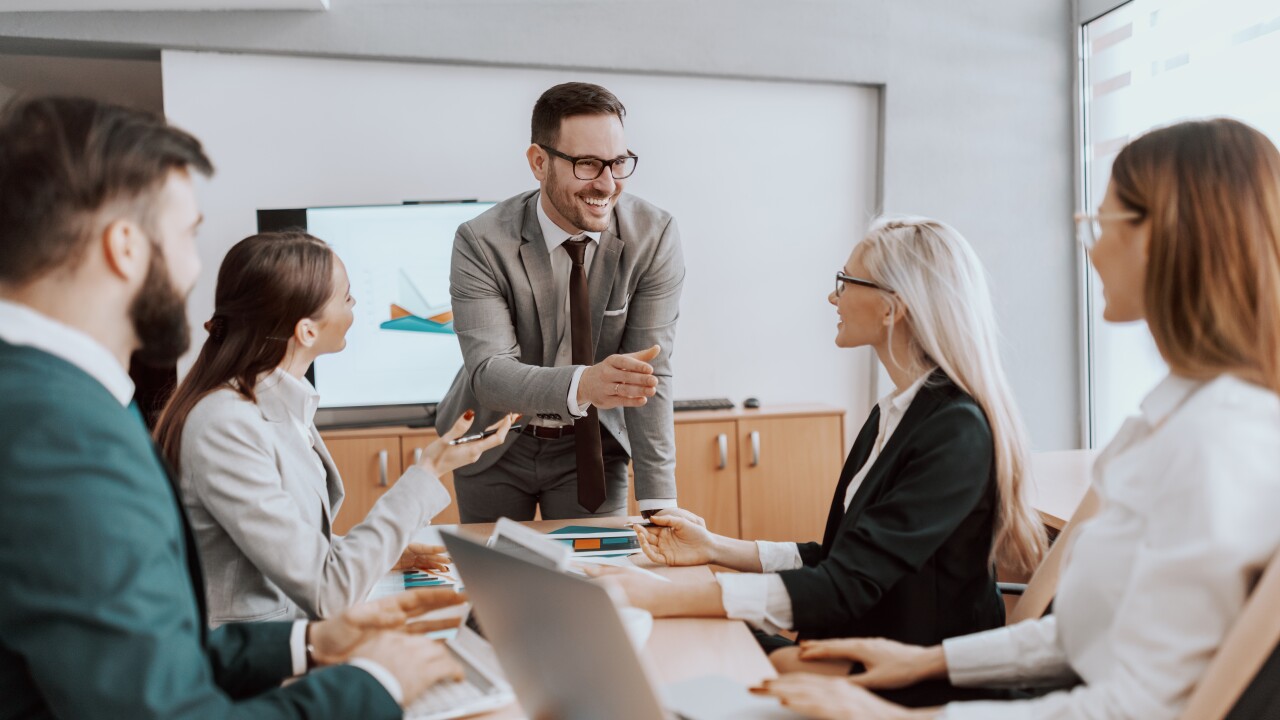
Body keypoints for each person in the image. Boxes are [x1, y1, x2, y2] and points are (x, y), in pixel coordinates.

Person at [756, 118, 1280, 719]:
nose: (1091, 245)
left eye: (1101, 222)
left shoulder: (1221, 443)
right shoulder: (1157, 423)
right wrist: (928, 662)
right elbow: (1079, 636)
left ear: (1163, 239)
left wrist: (899, 717)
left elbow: (1137, 706)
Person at [0, 95, 469, 718]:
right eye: (188, 235)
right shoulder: (64, 438)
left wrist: (303, 644)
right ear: (126, 248)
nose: (197, 270)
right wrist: (373, 685)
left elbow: (145, 661)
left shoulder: (57, 405)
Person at [592, 216, 1046, 705]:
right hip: (857, 646)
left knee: (690, 649)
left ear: (892, 307)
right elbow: (840, 557)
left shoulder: (955, 431)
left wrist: (663, 595)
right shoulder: (895, 414)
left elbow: (843, 584)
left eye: (845, 282)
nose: (834, 297)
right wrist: (715, 549)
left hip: (911, 686)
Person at [153, 231, 515, 626]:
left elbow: (286, 548)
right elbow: (329, 591)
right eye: (346, 297)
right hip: (257, 658)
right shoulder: (225, 424)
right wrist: (427, 471)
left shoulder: (277, 404)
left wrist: (388, 553)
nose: (354, 305)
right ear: (307, 330)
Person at [436, 81, 685, 522]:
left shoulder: (653, 235)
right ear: (539, 162)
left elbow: (650, 373)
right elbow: (490, 373)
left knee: (592, 583)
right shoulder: (481, 241)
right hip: (496, 440)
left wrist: (659, 503)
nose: (608, 184)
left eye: (619, 162)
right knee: (496, 581)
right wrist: (585, 384)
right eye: (588, 164)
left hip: (592, 448)